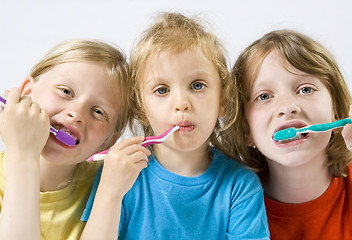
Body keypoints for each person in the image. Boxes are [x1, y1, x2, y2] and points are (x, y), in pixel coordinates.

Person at [80, 12, 270, 240]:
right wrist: (110, 192)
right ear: (141, 109)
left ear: (223, 101)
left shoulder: (239, 186)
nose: (181, 103)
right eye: (162, 90)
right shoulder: (119, 173)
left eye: (197, 85)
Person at [0, 39, 130, 239]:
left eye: (98, 112)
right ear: (27, 93)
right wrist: (24, 153)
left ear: (108, 142)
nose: (76, 114)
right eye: (66, 92)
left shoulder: (113, 185)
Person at [230, 29, 352, 239]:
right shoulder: (232, 208)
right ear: (246, 130)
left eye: (305, 89)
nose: (287, 107)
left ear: (337, 112)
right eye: (264, 96)